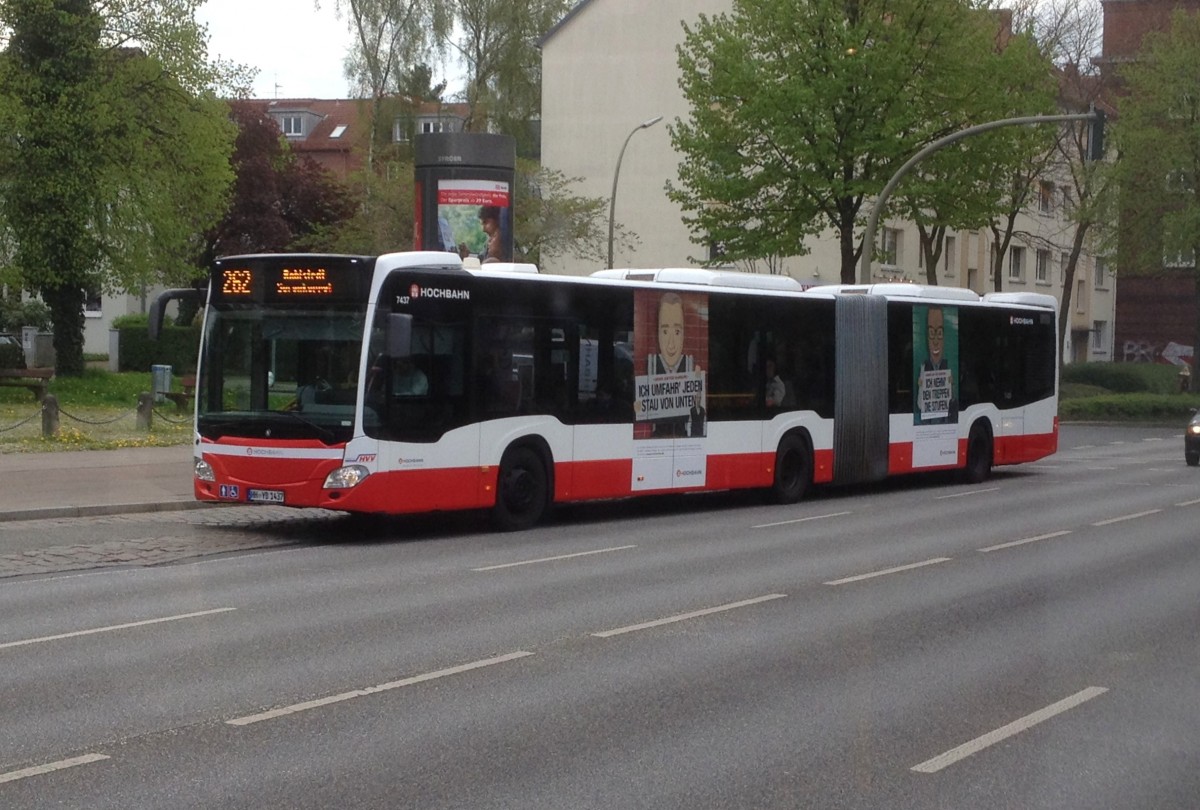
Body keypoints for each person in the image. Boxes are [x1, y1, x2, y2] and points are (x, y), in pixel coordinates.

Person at [648, 293, 695, 374]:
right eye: (665, 332)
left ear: (683, 334)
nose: (671, 345)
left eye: (677, 332)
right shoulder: (652, 365)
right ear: (658, 334)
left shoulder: (689, 365)